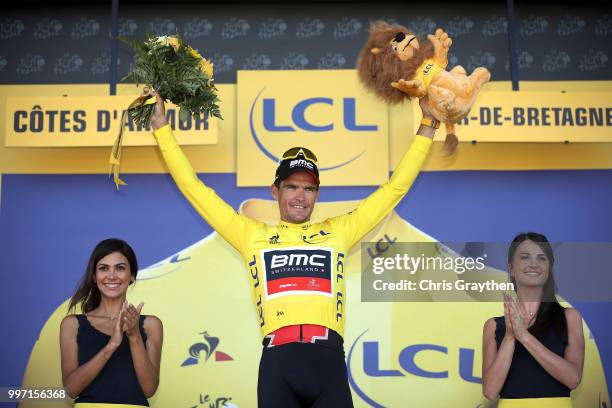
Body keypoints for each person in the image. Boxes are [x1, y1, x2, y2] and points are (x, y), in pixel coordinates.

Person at [145, 85, 436, 407]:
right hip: (277, 363)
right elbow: (194, 189)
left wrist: (428, 124)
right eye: (292, 187)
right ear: (275, 191)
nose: (300, 196)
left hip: (328, 362)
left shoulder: (338, 232)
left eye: (309, 189)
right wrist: (161, 128)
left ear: (317, 194)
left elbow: (395, 188)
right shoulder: (251, 235)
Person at [482, 232, 585, 407]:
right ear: (511, 269)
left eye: (541, 258)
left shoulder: (570, 317)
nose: (534, 264)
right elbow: (490, 391)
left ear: (549, 268)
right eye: (524, 257)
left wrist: (524, 336)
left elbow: (573, 379)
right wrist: (510, 336)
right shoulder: (493, 326)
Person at [59, 238, 163, 407]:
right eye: (103, 268)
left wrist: (134, 335)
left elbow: (149, 389)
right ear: (94, 276)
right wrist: (111, 345)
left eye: (120, 268)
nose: (112, 276)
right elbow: (70, 390)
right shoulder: (72, 324)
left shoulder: (151, 325)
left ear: (132, 276)